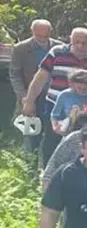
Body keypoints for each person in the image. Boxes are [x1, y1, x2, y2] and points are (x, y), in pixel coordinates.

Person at [21, 27, 87, 167]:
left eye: (84, 43)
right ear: (70, 40)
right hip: (55, 104)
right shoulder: (57, 52)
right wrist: (29, 101)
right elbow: (40, 78)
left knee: (78, 141)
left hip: (84, 110)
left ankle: (71, 171)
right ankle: (46, 171)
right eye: (77, 42)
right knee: (52, 139)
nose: (80, 46)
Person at [10, 19, 53, 152]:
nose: (42, 39)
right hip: (29, 92)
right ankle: (28, 155)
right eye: (39, 36)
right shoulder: (21, 48)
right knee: (28, 129)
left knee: (50, 130)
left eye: (46, 36)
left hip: (51, 95)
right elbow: (15, 75)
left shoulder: (58, 47)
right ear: (32, 32)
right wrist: (24, 96)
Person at [50, 69, 87, 135]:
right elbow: (55, 115)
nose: (82, 91)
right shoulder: (65, 95)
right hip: (69, 130)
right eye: (79, 88)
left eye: (85, 89)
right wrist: (55, 127)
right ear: (72, 85)